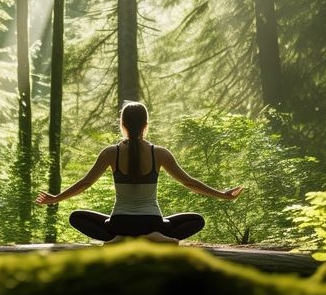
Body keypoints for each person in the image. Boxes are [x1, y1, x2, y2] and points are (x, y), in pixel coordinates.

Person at [35, 101, 244, 244]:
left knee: (76, 217)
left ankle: (116, 240)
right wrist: (222, 195)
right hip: (153, 223)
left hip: (119, 224)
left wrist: (55, 199)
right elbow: (190, 183)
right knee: (197, 220)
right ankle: (153, 237)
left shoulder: (111, 153)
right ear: (146, 125)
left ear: (122, 124)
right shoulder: (159, 153)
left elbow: (85, 183)